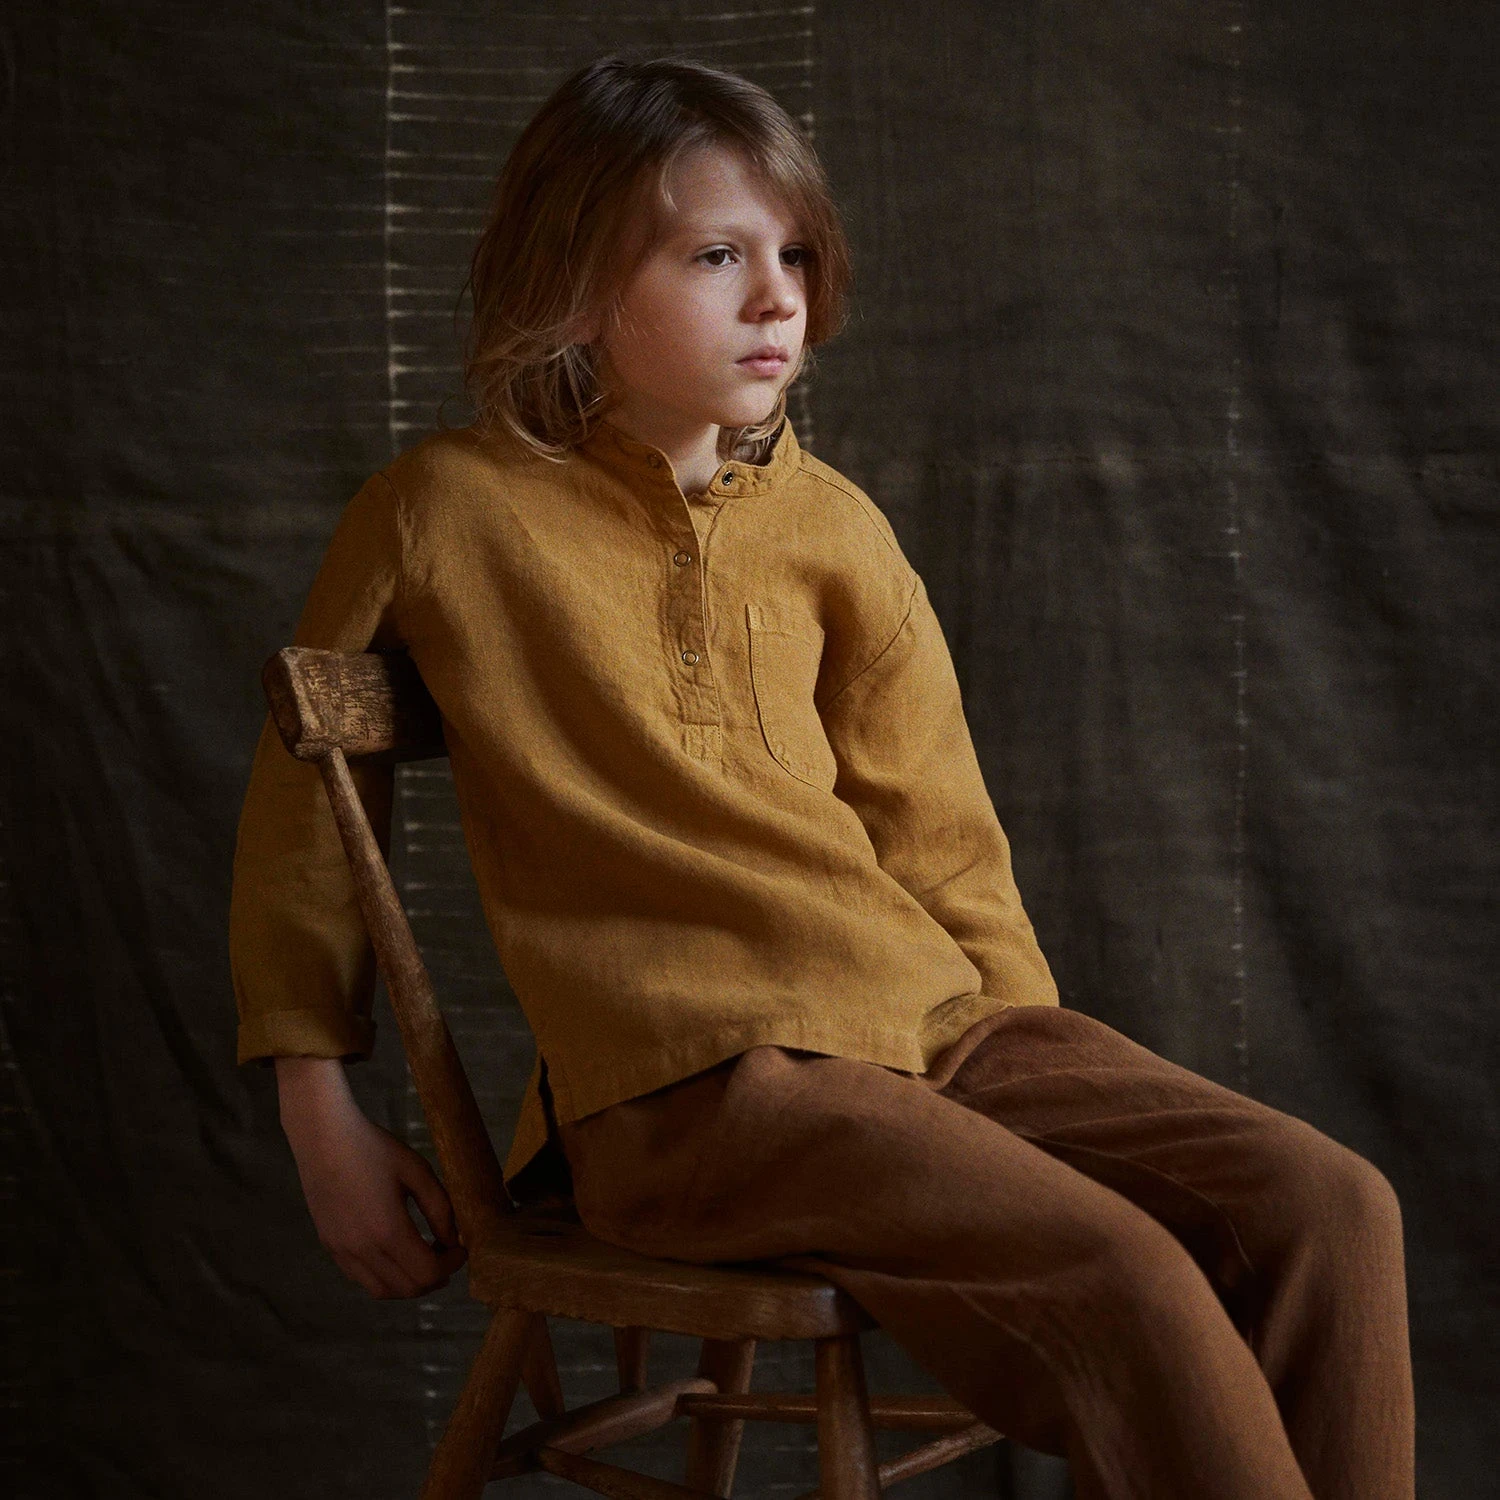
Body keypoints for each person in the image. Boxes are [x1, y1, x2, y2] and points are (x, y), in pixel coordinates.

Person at [229, 53, 1415, 1500]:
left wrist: (1021, 1088)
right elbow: (306, 800)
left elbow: (943, 838)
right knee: (1130, 1275)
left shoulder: (836, 529)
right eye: (716, 256)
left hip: (931, 1032)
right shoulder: (442, 512)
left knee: (1331, 1204)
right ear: (578, 283)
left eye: (793, 253)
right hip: (691, 1087)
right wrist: (319, 1110)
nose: (777, 299)